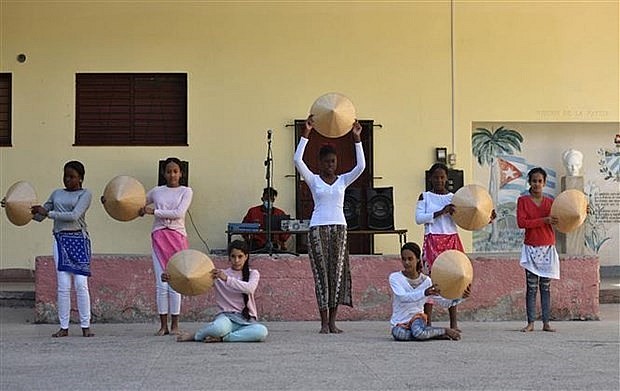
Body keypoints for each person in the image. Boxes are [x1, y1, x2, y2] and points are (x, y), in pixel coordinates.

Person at [293, 115, 365, 334]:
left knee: (337, 274)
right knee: (321, 275)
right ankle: (323, 322)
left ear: (336, 163)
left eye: (333, 162)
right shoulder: (313, 179)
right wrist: (306, 134)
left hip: (340, 229)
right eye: (326, 162)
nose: (330, 165)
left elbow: (361, 166)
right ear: (319, 163)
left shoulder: (343, 180)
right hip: (318, 228)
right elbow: (297, 160)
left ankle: (333, 321)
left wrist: (356, 139)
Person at [31, 161, 95, 338]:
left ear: (80, 178)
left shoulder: (86, 194)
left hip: (79, 240)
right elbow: (39, 215)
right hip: (60, 241)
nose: (67, 179)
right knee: (63, 285)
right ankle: (64, 326)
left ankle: (85, 325)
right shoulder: (56, 193)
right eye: (65, 175)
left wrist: (47, 213)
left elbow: (74, 215)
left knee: (81, 285)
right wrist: (19, 208)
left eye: (72, 176)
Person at [175, 240, 268, 343]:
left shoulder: (253, 273)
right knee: (218, 329)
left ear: (246, 257)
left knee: (261, 332)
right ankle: (196, 335)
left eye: (240, 256)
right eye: (233, 256)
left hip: (247, 320)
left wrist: (227, 279)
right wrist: (172, 278)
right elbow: (193, 279)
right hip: (226, 317)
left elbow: (249, 288)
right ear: (229, 257)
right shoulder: (219, 274)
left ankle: (224, 338)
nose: (236, 260)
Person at [139, 157, 193, 336]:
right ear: (164, 173)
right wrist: (113, 201)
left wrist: (154, 211)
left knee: (176, 282)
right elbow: (138, 203)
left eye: (175, 171)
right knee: (161, 282)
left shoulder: (186, 191)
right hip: (159, 238)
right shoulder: (156, 191)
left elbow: (179, 214)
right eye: (169, 171)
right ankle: (163, 325)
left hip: (178, 238)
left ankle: (176, 325)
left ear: (181, 173)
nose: (172, 175)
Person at [415, 162, 463, 330]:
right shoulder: (425, 197)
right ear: (430, 178)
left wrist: (486, 215)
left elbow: (466, 216)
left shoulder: (454, 198)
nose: (439, 180)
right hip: (432, 241)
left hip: (451, 240)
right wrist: (441, 212)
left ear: (447, 179)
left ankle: (454, 323)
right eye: (436, 177)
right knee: (431, 280)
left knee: (453, 278)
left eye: (442, 177)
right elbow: (419, 218)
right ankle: (427, 321)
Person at [390, 242, 465, 341]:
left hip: (417, 319)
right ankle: (434, 334)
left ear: (417, 259)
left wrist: (461, 296)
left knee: (417, 331)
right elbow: (403, 297)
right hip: (399, 322)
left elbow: (444, 302)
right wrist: (424, 293)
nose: (406, 262)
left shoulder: (427, 281)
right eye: (404, 259)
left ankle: (442, 331)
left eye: (410, 259)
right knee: (399, 334)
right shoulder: (395, 277)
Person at [517, 167, 559, 332]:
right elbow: (522, 223)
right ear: (529, 182)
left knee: (546, 287)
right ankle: (531, 322)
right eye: (534, 181)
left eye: (540, 181)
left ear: (544, 183)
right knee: (532, 287)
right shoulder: (523, 201)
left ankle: (546, 323)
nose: (537, 184)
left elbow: (563, 217)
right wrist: (544, 220)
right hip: (531, 248)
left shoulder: (551, 203)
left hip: (548, 247)